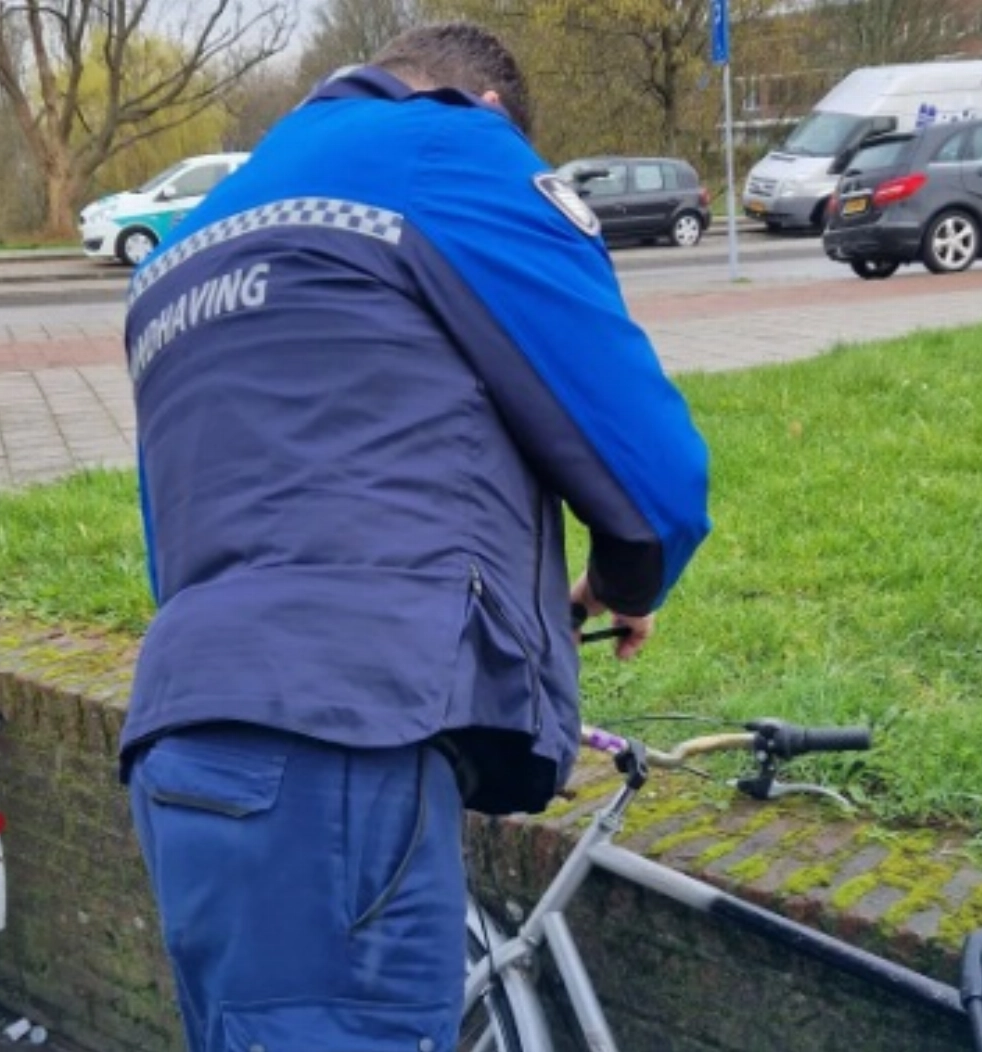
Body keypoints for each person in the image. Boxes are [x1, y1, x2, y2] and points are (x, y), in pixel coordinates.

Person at [120, 20, 710, 1052]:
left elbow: (183, 539)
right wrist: (627, 578)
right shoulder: (447, 146)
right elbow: (646, 465)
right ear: (484, 108)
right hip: (343, 738)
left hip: (185, 746)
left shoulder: (186, 242)